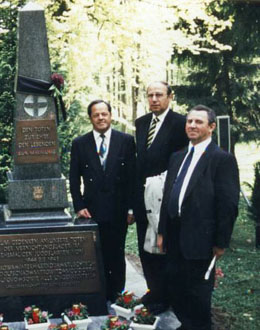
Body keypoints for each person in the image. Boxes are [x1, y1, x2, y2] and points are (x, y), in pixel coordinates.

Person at [157, 105, 239, 330]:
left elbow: (228, 205)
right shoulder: (177, 157)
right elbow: (168, 196)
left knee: (198, 295)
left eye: (198, 122)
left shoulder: (222, 160)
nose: (192, 125)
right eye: (189, 121)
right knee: (176, 288)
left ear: (211, 127)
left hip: (201, 240)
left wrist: (221, 242)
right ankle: (187, 325)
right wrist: (162, 231)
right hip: (174, 237)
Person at [69, 100, 136, 303]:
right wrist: (79, 206)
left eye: (104, 114)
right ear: (90, 118)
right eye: (96, 115)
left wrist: (132, 208)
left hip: (119, 209)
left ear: (110, 115)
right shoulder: (80, 143)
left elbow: (133, 177)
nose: (101, 118)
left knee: (116, 252)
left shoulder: (125, 140)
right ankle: (98, 293)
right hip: (92, 209)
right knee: (95, 253)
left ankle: (117, 294)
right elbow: (73, 178)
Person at [134, 81, 188, 313]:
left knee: (163, 244)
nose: (154, 99)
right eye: (150, 95)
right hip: (142, 196)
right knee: (145, 246)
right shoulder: (142, 123)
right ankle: (153, 291)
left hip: (166, 196)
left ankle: (167, 296)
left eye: (159, 95)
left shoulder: (181, 123)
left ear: (170, 97)